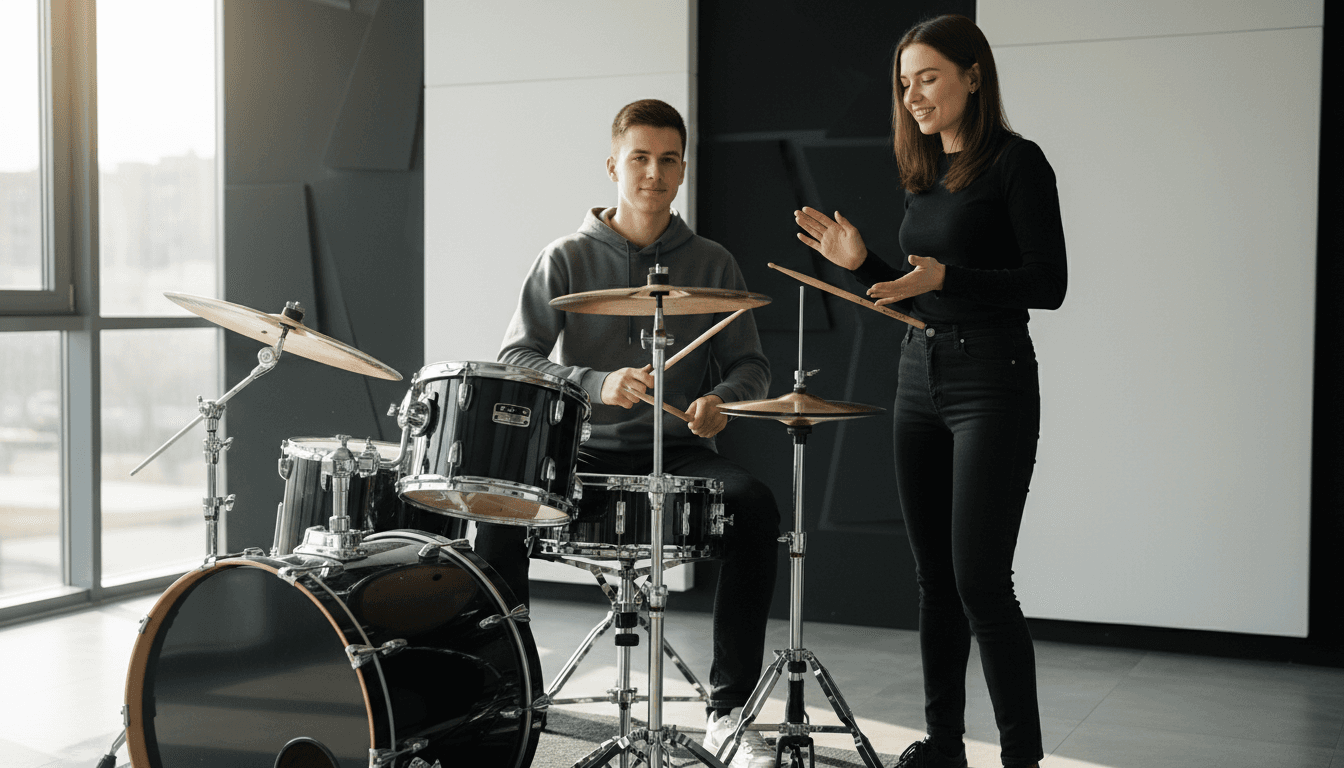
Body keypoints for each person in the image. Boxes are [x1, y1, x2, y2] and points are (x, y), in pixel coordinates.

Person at [474, 98, 781, 768]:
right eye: (639, 158)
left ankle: (728, 714)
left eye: (668, 159)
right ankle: (516, 691)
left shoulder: (713, 262)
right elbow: (516, 359)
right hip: (580, 457)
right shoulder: (564, 257)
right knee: (495, 521)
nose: (653, 172)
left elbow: (752, 365)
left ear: (682, 169)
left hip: (683, 451)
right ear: (614, 165)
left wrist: (720, 401)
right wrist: (591, 382)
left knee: (756, 507)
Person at [793, 15, 1065, 768]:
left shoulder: (1018, 164)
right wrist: (860, 262)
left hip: (993, 380)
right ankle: (945, 746)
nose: (913, 95)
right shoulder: (925, 179)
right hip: (920, 374)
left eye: (929, 76)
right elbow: (919, 300)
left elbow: (1050, 285)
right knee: (935, 582)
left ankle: (1021, 759)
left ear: (974, 75)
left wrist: (950, 275)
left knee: (981, 579)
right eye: (903, 83)